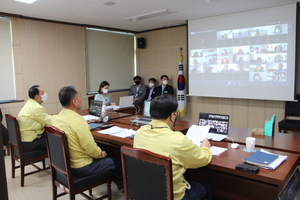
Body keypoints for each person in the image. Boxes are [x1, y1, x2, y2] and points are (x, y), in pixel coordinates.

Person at [134, 95, 213, 200]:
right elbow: (202, 160)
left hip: (146, 192)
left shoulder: (139, 133)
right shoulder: (178, 140)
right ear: (172, 115)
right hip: (172, 196)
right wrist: (205, 147)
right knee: (209, 187)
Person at [52, 85, 123, 191]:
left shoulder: (57, 118)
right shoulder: (78, 121)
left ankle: (120, 184)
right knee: (116, 161)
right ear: (74, 101)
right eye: (80, 96)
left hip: (64, 165)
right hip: (81, 167)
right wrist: (101, 154)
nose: (81, 99)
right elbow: (90, 147)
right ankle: (126, 189)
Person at [17, 85, 55, 152]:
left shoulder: (30, 103)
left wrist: (57, 117)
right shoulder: (36, 108)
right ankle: (56, 162)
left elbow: (46, 118)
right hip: (30, 142)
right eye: (42, 92)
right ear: (37, 97)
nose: (45, 94)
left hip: (25, 139)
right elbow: (50, 122)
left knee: (52, 136)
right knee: (57, 141)